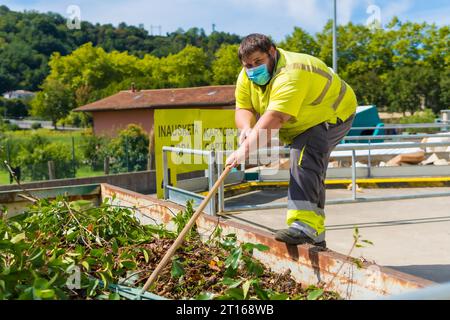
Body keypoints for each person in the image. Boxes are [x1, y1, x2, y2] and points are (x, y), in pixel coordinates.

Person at [225, 33, 357, 248]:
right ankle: (316, 235)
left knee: (304, 156)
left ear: (272, 53)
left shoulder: (291, 73)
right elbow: (243, 108)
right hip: (302, 120)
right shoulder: (246, 76)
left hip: (333, 113)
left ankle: (304, 226)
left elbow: (274, 119)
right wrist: (247, 128)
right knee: (309, 164)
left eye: (258, 62)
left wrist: (243, 152)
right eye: (248, 64)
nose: (253, 68)